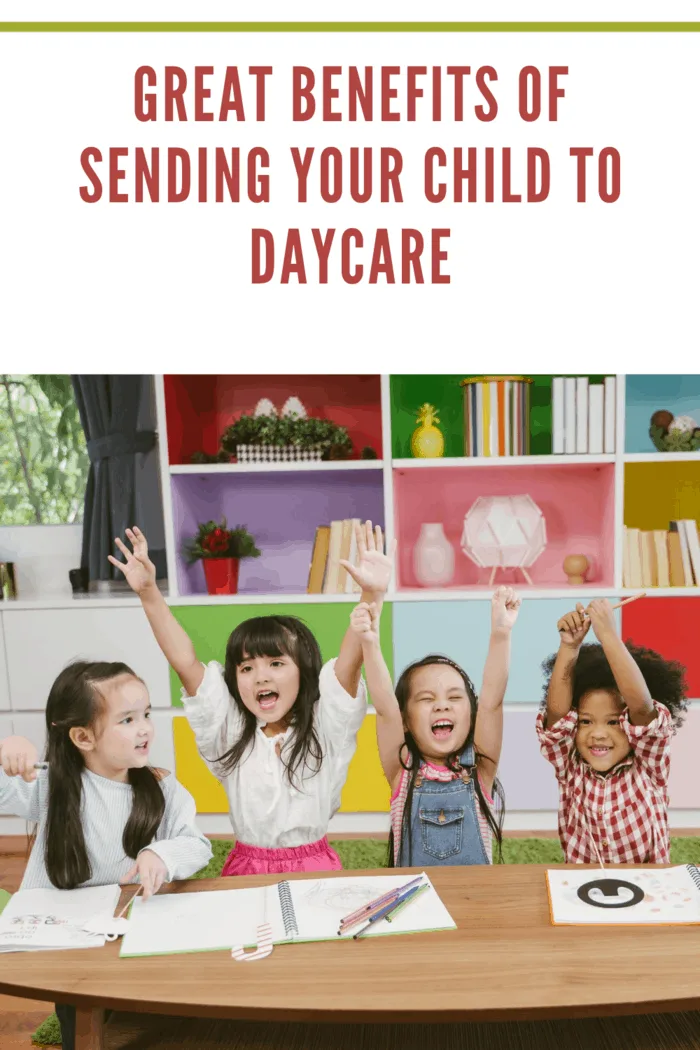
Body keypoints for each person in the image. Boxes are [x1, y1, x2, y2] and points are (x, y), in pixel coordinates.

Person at [110, 521, 395, 876]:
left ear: (304, 673)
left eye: (276, 663)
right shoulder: (229, 732)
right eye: (246, 668)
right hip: (247, 866)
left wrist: (372, 595)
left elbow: (351, 663)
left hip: (314, 865)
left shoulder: (326, 727)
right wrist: (149, 592)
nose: (260, 675)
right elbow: (184, 661)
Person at [0, 659, 212, 1050]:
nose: (146, 727)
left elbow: (196, 844)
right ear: (83, 737)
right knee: (83, 1025)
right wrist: (7, 752)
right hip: (68, 947)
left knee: (156, 1019)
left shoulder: (163, 787)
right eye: (127, 720)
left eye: (146, 714)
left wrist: (160, 854)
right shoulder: (50, 786)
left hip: (137, 937)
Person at [350, 586, 521, 866]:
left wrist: (501, 633)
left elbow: (492, 701)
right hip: (417, 904)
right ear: (406, 721)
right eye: (426, 699)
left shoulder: (481, 769)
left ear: (471, 715)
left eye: (454, 697)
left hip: (475, 902)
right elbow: (385, 709)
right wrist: (370, 642)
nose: (442, 705)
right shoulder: (402, 770)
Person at [537, 598, 688, 864]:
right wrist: (569, 647)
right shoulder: (570, 767)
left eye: (613, 722)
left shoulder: (649, 765)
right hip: (583, 888)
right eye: (585, 721)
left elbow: (642, 708)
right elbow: (557, 717)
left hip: (647, 888)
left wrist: (608, 635)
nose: (597, 734)